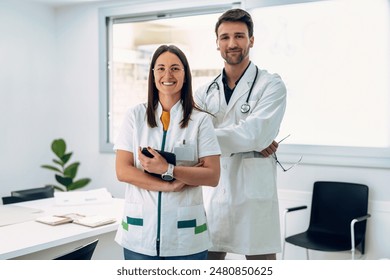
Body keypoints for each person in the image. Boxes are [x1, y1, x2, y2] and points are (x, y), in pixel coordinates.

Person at [194, 8, 287, 260]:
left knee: (261, 265)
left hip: (253, 196)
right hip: (213, 195)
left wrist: (255, 139)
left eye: (239, 36)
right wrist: (250, 140)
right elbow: (189, 136)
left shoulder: (271, 84)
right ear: (217, 43)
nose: (232, 43)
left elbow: (256, 134)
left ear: (251, 40)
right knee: (207, 264)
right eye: (224, 37)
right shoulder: (203, 92)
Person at [114, 45, 221, 260]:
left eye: (175, 68)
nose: (167, 75)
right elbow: (123, 171)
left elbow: (212, 175)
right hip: (140, 236)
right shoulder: (135, 117)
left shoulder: (200, 121)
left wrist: (167, 168)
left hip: (186, 238)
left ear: (185, 74)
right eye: (160, 68)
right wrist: (170, 184)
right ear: (153, 74)